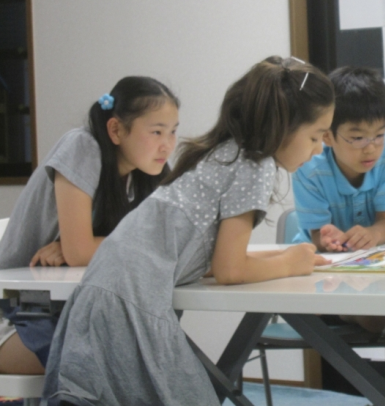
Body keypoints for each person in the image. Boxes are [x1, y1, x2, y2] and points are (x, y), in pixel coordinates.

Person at [42, 57, 334, 406]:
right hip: (129, 302)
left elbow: (207, 256)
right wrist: (289, 263)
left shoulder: (226, 152)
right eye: (315, 136)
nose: (319, 148)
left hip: (106, 291)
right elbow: (230, 270)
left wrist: (283, 256)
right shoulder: (257, 165)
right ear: (282, 127)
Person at [0, 76, 180, 378]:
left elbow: (174, 241)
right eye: (157, 132)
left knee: (154, 348)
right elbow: (82, 251)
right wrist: (82, 246)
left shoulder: (145, 173)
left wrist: (88, 245)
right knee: (120, 361)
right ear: (115, 129)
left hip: (73, 306)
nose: (168, 145)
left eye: (173, 131)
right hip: (17, 311)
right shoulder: (82, 146)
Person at [292, 66, 385, 333]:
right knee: (304, 310)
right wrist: (328, 239)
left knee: (375, 318)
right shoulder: (309, 164)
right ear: (328, 135)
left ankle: (344, 311)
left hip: (376, 263)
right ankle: (342, 310)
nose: (371, 147)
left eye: (379, 134)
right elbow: (317, 235)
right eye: (357, 137)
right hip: (322, 263)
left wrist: (372, 234)